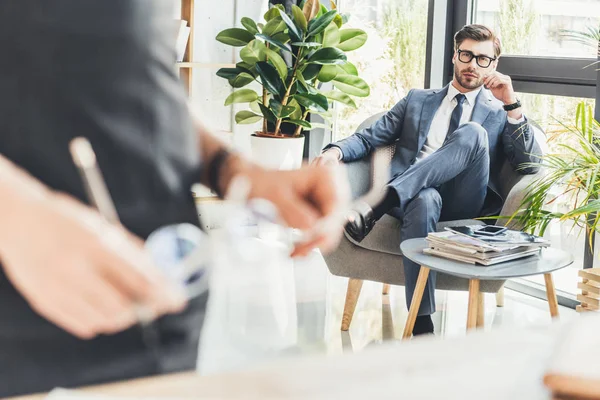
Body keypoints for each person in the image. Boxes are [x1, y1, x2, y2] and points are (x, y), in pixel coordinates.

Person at [0, 1, 344, 396]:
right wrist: (15, 215)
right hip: (26, 325)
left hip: (165, 313)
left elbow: (142, 76)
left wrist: (234, 169)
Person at [314, 24, 542, 336]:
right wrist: (335, 152)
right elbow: (370, 138)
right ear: (454, 56)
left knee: (473, 133)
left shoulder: (500, 110)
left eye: (483, 59)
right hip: (414, 199)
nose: (473, 64)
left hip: (464, 199)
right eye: (467, 54)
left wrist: (512, 102)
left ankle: (381, 202)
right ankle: (421, 323)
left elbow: (531, 164)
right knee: (424, 199)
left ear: (493, 65)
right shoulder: (417, 100)